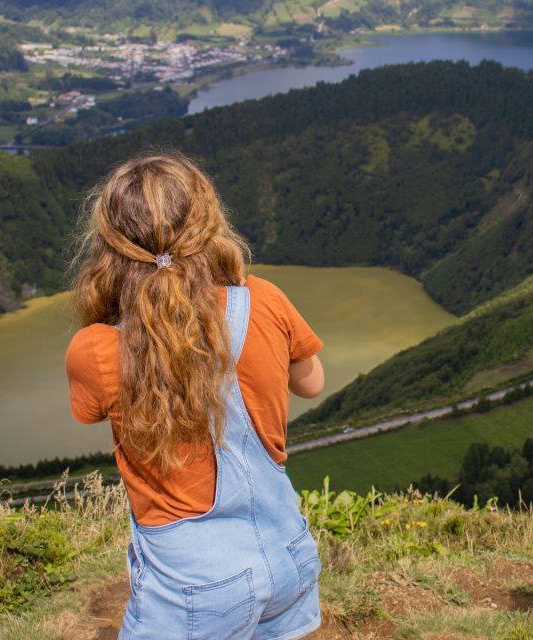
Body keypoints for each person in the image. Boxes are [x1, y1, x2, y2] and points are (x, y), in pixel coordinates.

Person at [64, 152, 324, 639]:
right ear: (209, 224)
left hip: (194, 586)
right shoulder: (264, 299)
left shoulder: (96, 350)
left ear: (109, 246)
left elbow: (89, 413)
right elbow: (312, 382)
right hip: (288, 552)